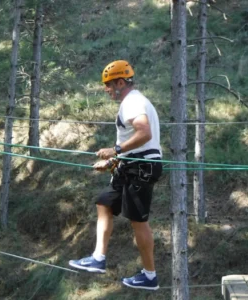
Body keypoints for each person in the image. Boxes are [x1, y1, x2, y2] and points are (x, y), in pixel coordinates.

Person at [69, 60, 162, 291]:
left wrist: (116, 151)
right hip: (130, 165)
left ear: (121, 82)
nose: (106, 89)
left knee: (139, 223)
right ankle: (98, 259)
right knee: (105, 202)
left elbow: (144, 132)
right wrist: (113, 161)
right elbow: (136, 140)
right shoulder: (132, 102)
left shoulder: (133, 102)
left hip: (141, 168)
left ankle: (150, 276)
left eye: (109, 84)